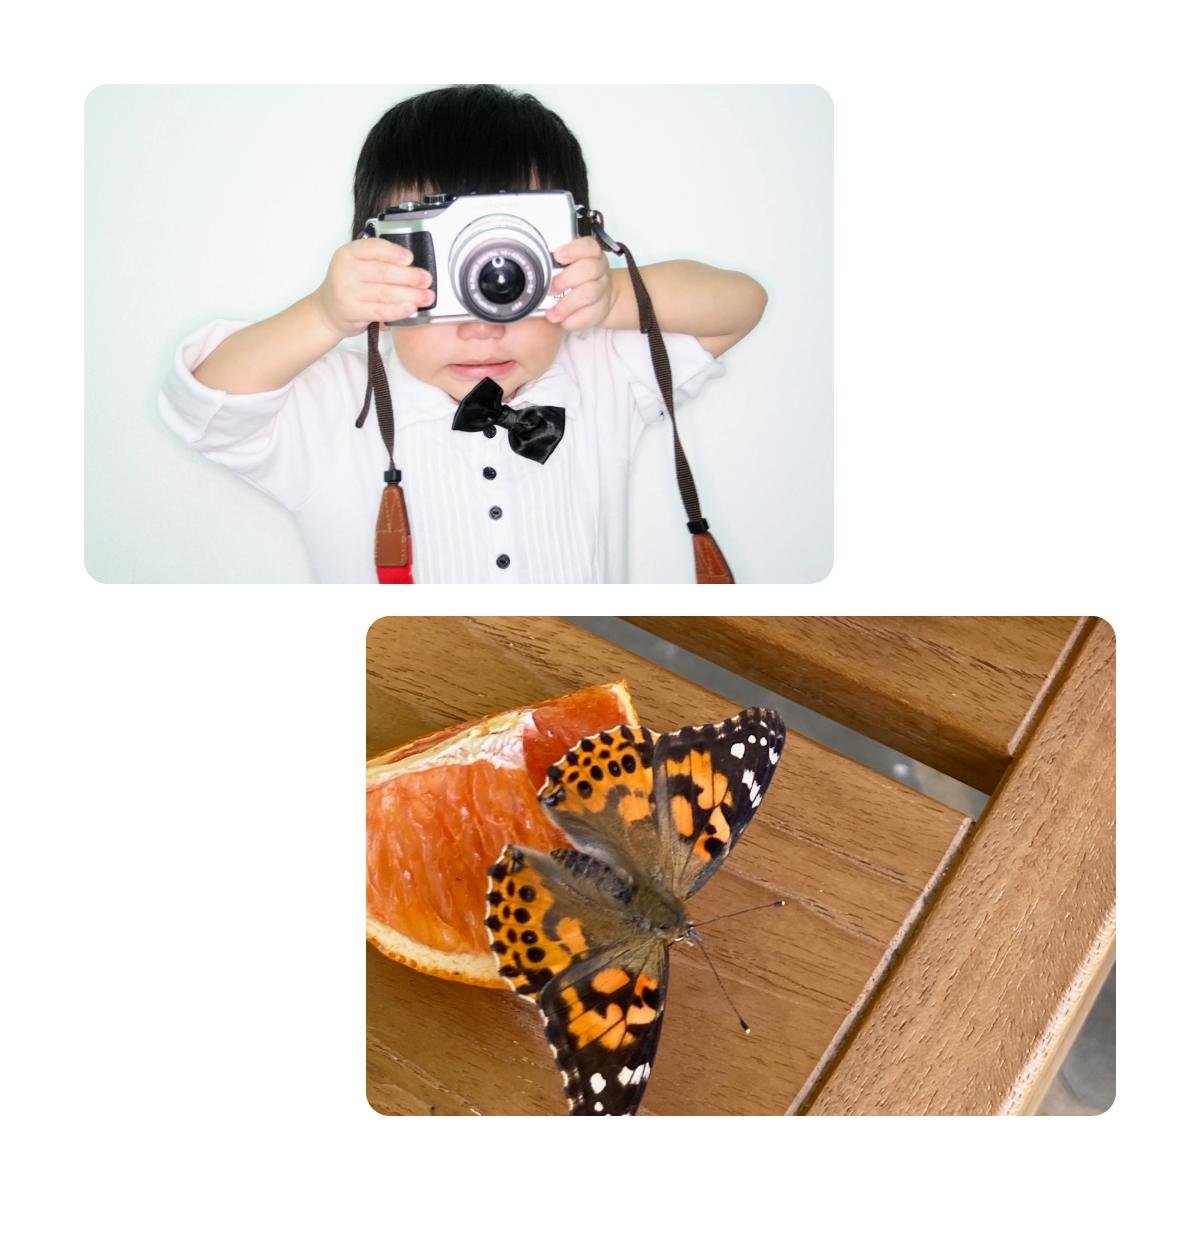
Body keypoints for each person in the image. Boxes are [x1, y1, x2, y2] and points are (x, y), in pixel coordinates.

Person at [157, 85, 768, 583]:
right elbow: (206, 402)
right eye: (437, 276)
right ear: (375, 257)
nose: (481, 327)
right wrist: (323, 314)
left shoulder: (600, 374)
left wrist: (607, 297)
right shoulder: (337, 408)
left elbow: (740, 304)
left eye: (509, 277)